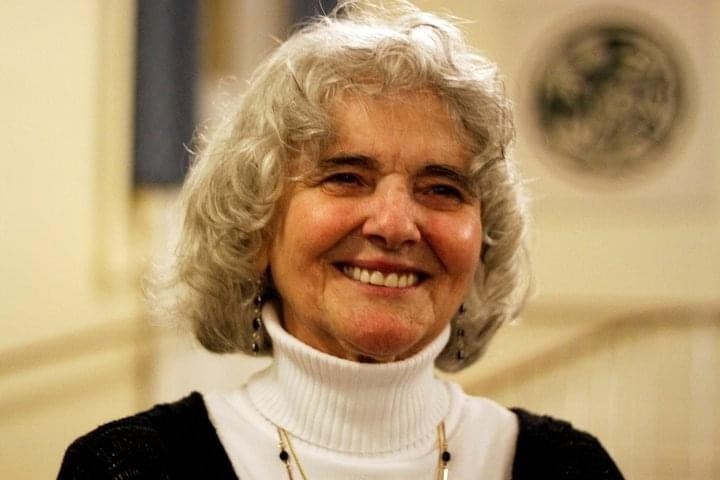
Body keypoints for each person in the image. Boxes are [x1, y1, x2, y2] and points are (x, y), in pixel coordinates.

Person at [59, 1, 624, 479]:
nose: (395, 224)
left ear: (482, 244)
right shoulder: (129, 468)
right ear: (255, 228)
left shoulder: (568, 468)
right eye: (346, 178)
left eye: (442, 188)